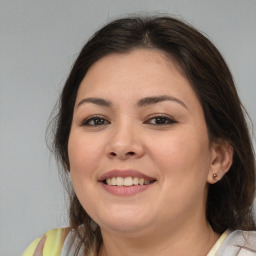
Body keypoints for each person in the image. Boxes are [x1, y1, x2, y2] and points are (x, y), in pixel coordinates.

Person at [23, 15, 256, 256]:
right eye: (96, 120)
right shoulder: (46, 251)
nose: (121, 144)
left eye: (159, 119)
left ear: (217, 158)